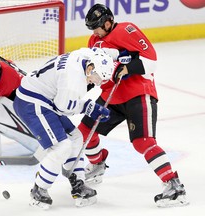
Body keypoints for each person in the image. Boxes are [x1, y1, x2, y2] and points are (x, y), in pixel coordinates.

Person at [78, 3, 188, 207]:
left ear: (108, 22)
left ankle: (174, 185)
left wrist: (128, 67)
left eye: (97, 27)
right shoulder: (94, 40)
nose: (95, 32)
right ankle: (97, 163)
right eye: (92, 28)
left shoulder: (126, 30)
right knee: (84, 132)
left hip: (137, 94)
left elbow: (151, 60)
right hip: (111, 96)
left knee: (143, 142)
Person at [13, 47, 114, 209]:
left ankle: (78, 182)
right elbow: (63, 108)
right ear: (90, 69)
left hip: (46, 97)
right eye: (97, 78)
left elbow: (100, 50)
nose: (96, 83)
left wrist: (119, 55)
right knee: (62, 146)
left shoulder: (86, 55)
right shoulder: (74, 84)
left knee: (76, 137)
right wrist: (90, 108)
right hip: (32, 103)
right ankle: (39, 189)